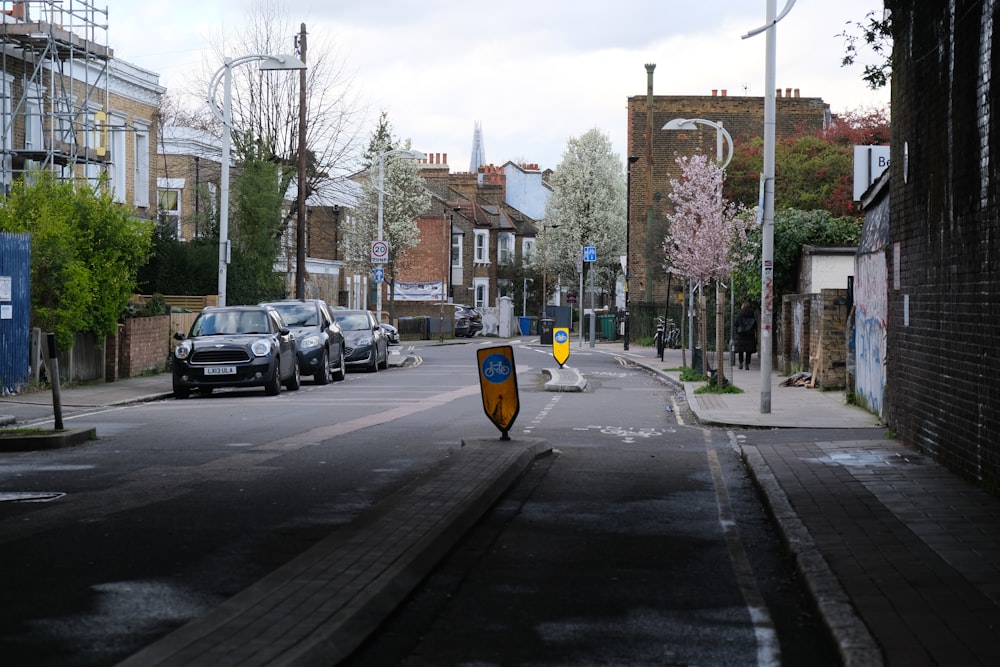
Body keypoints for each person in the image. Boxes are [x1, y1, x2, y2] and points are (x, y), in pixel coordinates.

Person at [733, 301, 757, 370]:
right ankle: (747, 364)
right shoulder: (752, 314)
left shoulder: (740, 314)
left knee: (741, 350)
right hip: (750, 334)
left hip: (741, 334)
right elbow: (755, 324)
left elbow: (736, 323)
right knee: (748, 351)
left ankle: (741, 363)